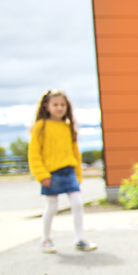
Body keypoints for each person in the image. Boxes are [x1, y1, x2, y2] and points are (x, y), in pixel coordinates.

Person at [28, 90, 96, 253]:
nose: (59, 108)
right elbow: (34, 153)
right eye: (55, 105)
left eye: (62, 105)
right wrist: (41, 174)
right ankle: (46, 239)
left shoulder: (68, 127)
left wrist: (78, 174)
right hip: (51, 174)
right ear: (46, 106)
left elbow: (75, 153)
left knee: (77, 203)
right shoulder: (41, 127)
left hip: (69, 172)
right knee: (52, 206)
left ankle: (79, 239)